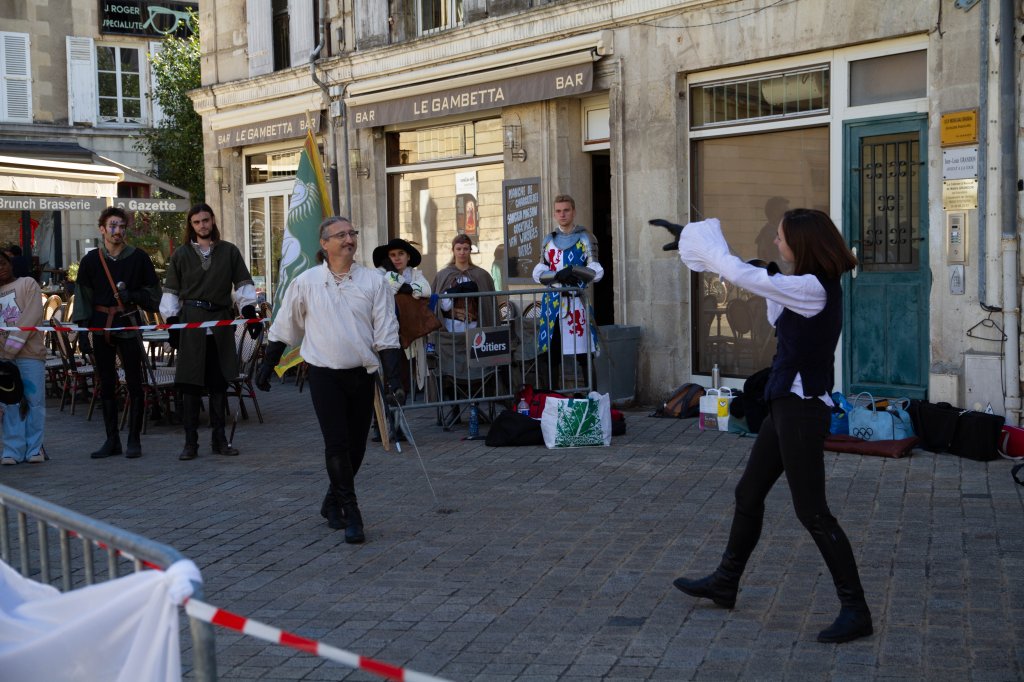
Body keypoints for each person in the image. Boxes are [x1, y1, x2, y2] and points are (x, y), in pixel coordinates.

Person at [660, 208, 870, 644]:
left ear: (802, 243)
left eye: (780, 237)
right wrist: (693, 242)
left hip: (801, 411)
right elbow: (756, 273)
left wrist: (701, 242)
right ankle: (725, 581)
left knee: (812, 512)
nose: (775, 242)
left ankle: (856, 609)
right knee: (748, 493)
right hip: (785, 406)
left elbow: (747, 277)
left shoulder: (812, 289)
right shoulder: (802, 285)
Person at [254, 217, 404, 544]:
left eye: (352, 233)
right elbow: (285, 325)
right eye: (341, 235)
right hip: (324, 375)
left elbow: (387, 333)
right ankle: (352, 511)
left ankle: (331, 501)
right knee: (336, 443)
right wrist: (268, 363)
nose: (349, 239)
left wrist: (395, 378)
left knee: (357, 448)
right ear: (325, 244)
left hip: (361, 375)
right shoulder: (306, 282)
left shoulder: (374, 282)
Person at [160, 203, 258, 461]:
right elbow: (171, 292)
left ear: (213, 220)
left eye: (206, 220)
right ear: (191, 226)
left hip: (220, 324)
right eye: (196, 222)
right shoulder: (181, 254)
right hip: (191, 324)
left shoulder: (229, 251)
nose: (202, 225)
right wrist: (172, 323)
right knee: (190, 386)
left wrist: (250, 313)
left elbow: (243, 284)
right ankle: (190, 443)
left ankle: (219, 440)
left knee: (217, 384)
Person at [74, 207, 161, 459]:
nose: (118, 231)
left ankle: (134, 439)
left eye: (122, 226)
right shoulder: (90, 261)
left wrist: (132, 296)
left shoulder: (139, 258)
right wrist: (83, 331)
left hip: (129, 323)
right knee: (107, 385)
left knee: (135, 383)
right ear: (102, 229)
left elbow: (154, 297)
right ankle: (112, 440)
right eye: (113, 226)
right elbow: (83, 297)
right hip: (102, 326)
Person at [531, 194, 604, 381]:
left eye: (566, 210)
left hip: (576, 304)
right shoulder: (549, 240)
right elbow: (538, 272)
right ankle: (553, 400)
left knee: (584, 355)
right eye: (558, 211)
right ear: (554, 214)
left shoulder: (585, 237)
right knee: (551, 355)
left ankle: (591, 398)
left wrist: (575, 271)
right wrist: (557, 275)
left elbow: (597, 271)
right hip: (552, 306)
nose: (562, 214)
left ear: (573, 212)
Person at [0, 250, 46, 465]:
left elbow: (32, 315)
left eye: (3, 263)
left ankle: (35, 448)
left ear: (11, 263)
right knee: (10, 403)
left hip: (29, 354)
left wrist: (11, 347)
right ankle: (12, 449)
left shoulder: (28, 284)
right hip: (3, 359)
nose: (1, 268)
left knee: (34, 401)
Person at [373, 237, 431, 393]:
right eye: (392, 255)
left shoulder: (415, 274)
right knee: (386, 378)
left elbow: (426, 289)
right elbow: (388, 288)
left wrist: (406, 288)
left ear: (408, 256)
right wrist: (403, 285)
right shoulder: (379, 273)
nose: (397, 258)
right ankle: (382, 417)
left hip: (408, 332)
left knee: (403, 379)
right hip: (386, 333)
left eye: (401, 253)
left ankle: (398, 413)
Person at [432, 234, 495, 332]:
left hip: (475, 328)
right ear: (453, 250)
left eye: (465, 249)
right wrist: (452, 297)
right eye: (458, 249)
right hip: (450, 328)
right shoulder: (443, 275)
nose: (462, 252)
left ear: (470, 250)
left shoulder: (481, 275)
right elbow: (440, 305)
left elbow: (487, 305)